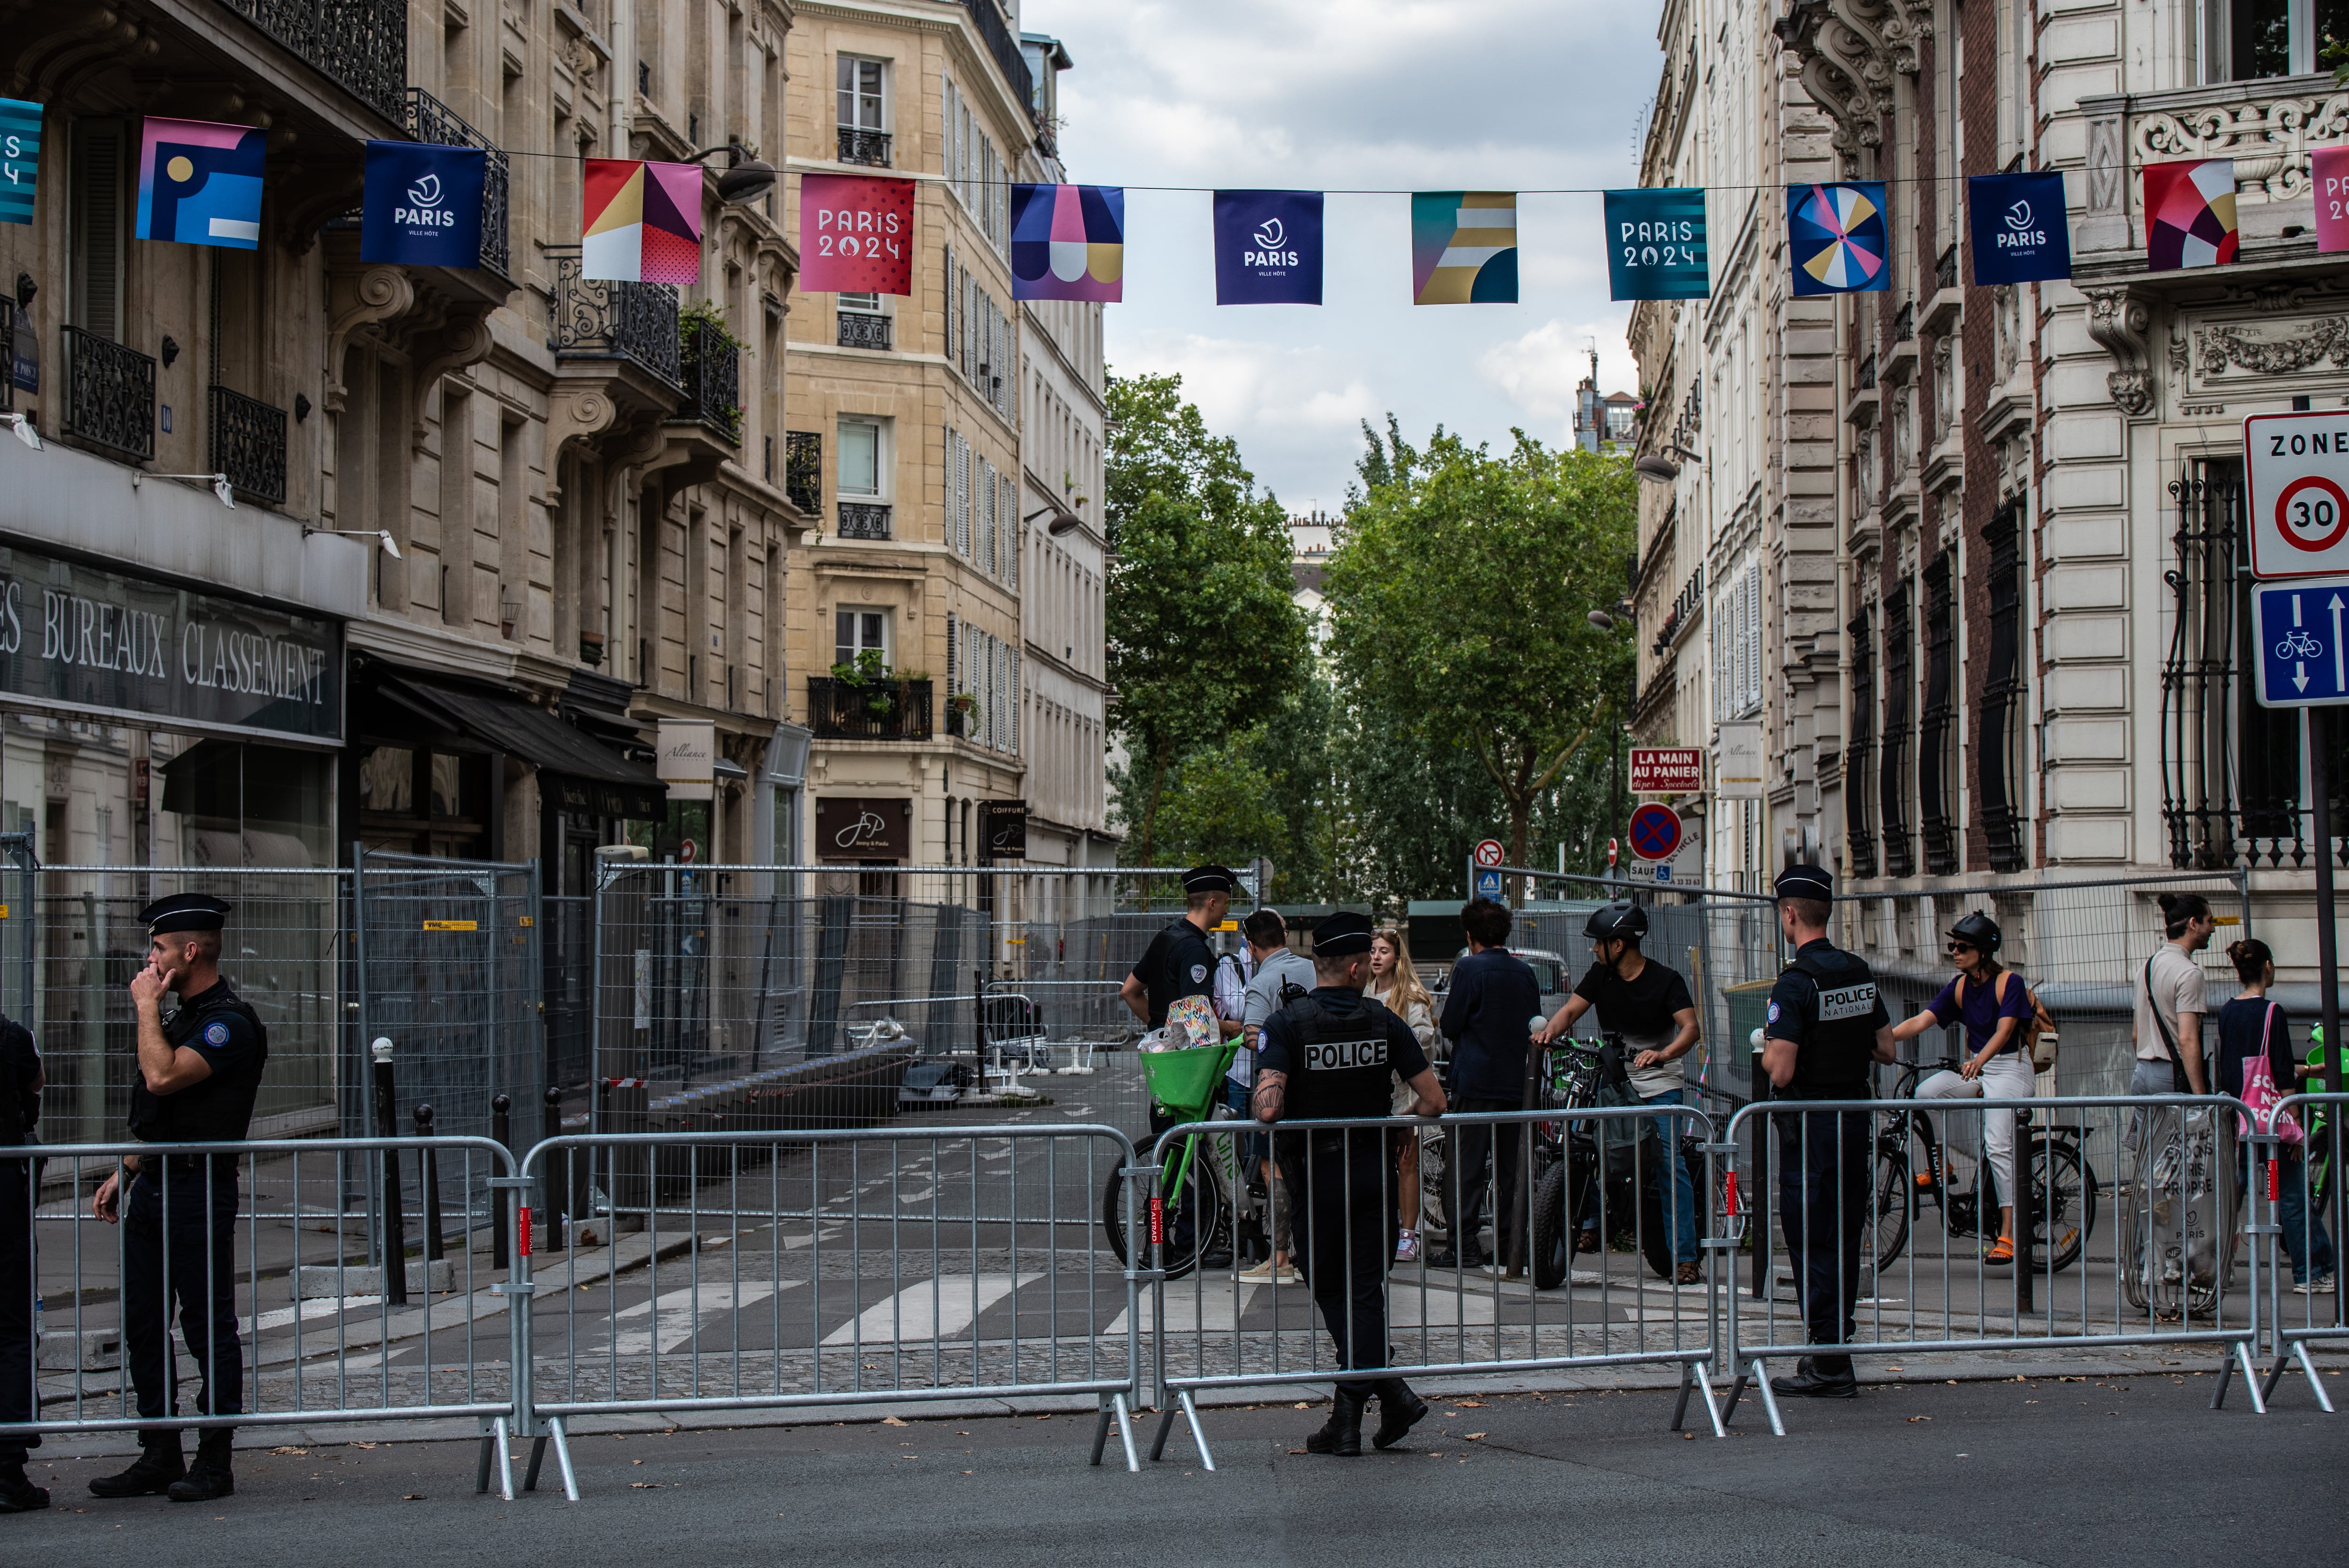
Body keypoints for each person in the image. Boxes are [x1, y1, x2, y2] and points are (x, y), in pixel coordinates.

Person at [88, 894, 269, 1505]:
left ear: (189, 952)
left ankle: (213, 1462)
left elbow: (164, 1076)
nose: (151, 959)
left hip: (198, 1191)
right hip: (158, 1184)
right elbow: (167, 1113)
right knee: (143, 1324)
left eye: (160, 948)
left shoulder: (228, 1023)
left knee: (206, 1327)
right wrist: (128, 1169)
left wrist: (145, 1004)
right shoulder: (179, 1017)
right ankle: (158, 1451)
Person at [1253, 911, 1447, 1457]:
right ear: (1359, 966)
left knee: (1327, 1279)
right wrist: (1401, 1122)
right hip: (1370, 1171)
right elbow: (1434, 1101)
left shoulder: (1288, 1022)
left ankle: (1355, 1413)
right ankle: (1377, 1399)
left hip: (1316, 1175)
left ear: (1321, 964)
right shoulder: (1384, 1022)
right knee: (1364, 1289)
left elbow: (1267, 1110)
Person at [1760, 866, 1893, 1401]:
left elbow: (1781, 1069)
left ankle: (1828, 1362)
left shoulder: (1795, 983)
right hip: (1851, 1118)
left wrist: (1770, 1045)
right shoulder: (1857, 971)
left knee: (1811, 1237)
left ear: (1789, 914)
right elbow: (1884, 1047)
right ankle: (1833, 1348)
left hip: (1810, 1126)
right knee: (1840, 1236)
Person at [1533, 901, 1704, 1285]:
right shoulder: (1600, 976)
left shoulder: (1667, 980)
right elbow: (1571, 1011)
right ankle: (1591, 1223)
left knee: (1667, 1162)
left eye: (1599, 943)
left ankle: (1686, 1257)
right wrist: (1550, 1033)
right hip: (1613, 1080)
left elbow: (1691, 1029)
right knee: (1582, 1144)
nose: (1594, 950)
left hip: (1659, 1084)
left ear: (1620, 945)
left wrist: (1663, 1054)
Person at [1889, 912, 2035, 1264]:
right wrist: (1883, 1040)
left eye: (1963, 947)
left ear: (1984, 952)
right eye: (1952, 945)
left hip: (2011, 1070)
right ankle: (1942, 1167)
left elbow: (2004, 1031)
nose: (1954, 951)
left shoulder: (2009, 983)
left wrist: (1980, 1060)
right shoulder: (1959, 986)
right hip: (1980, 1069)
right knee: (1926, 1093)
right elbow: (1923, 1019)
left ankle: (2008, 1234)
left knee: (1999, 1145)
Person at [2215, 939, 2336, 1294]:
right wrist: (2295, 1126)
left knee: (2231, 1197)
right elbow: (2280, 1073)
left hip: (2239, 1120)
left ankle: (2211, 1267)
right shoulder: (2272, 1012)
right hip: (2271, 1123)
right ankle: (2310, 1273)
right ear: (2267, 966)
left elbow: (2242, 1066)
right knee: (2289, 1193)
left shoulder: (2226, 1011)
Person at [1433, 898, 1542, 1272]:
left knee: (1466, 1168)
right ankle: (1511, 1245)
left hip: (1475, 1082)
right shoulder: (1525, 972)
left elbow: (1450, 1024)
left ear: (1470, 934)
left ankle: (1463, 1245)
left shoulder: (1468, 969)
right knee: (1512, 1170)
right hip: (1516, 1083)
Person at [1235, 909, 1312, 1285]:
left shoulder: (1262, 982)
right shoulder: (1313, 969)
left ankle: (1280, 1259)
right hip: (1318, 1084)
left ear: (1250, 947)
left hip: (1277, 1092)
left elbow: (1254, 1036)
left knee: (1272, 1167)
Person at [1368, 928, 1441, 1263]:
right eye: (1373, 951)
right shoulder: (1366, 991)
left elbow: (1424, 1037)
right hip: (1375, 1089)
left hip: (1405, 1091)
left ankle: (1408, 1234)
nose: (1376, 957)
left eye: (1384, 951)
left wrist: (1394, 1042)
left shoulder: (1409, 993)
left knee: (1406, 1161)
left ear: (1397, 956)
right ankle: (1381, 1228)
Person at [0, 1006, 41, 1514]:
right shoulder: (11, 1037)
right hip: (4, 1185)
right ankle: (8, 1468)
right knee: (9, 1327)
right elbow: (36, 1082)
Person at [2131, 891, 2214, 1100]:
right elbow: (2187, 1039)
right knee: (2183, 1132)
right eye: (2210, 922)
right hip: (2171, 1075)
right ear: (2193, 924)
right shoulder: (2189, 974)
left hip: (2142, 1072)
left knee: (2147, 1134)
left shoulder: (2145, 968)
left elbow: (2136, 1034)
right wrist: (2200, 1097)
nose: (2213, 929)